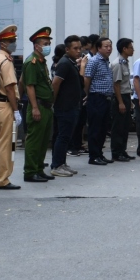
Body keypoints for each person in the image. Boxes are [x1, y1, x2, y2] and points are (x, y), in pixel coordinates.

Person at [0, 25, 20, 191]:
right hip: (5, 105)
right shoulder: (5, 62)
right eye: (11, 41)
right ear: (3, 44)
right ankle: (2, 179)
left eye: (14, 40)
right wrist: (16, 110)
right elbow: (9, 88)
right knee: (6, 144)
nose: (14, 43)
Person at [20, 27, 55, 183]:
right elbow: (30, 86)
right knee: (34, 141)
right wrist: (34, 107)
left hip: (46, 106)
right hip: (38, 106)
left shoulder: (41, 61)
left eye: (49, 43)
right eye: (45, 43)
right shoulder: (32, 62)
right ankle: (30, 171)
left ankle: (39, 169)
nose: (48, 46)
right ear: (37, 46)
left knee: (43, 141)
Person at [50, 35, 84, 176]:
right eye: (75, 48)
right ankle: (57, 165)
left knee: (66, 137)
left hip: (72, 106)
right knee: (63, 137)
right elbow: (56, 83)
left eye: (80, 48)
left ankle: (62, 163)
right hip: (64, 107)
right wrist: (53, 102)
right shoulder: (64, 63)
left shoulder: (71, 62)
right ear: (67, 49)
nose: (78, 51)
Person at [84, 36, 115, 165]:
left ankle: (100, 154)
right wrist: (88, 94)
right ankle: (93, 156)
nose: (109, 49)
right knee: (95, 128)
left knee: (103, 129)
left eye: (110, 46)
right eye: (106, 46)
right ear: (98, 48)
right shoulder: (94, 61)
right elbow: (87, 79)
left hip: (106, 98)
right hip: (96, 98)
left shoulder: (106, 61)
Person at [110, 38, 136, 162]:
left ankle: (122, 150)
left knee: (125, 126)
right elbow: (116, 85)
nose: (133, 49)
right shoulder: (118, 64)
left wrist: (128, 101)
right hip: (119, 97)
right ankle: (116, 152)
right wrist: (120, 102)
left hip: (125, 96)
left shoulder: (125, 62)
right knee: (118, 126)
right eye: (131, 47)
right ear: (124, 49)